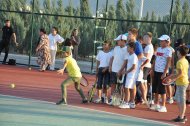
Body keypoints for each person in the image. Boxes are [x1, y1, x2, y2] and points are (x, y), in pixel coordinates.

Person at [150, 35, 172, 112]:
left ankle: (163, 106)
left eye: (162, 41)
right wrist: (152, 69)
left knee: (162, 90)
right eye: (160, 41)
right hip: (156, 71)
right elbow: (155, 60)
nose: (160, 42)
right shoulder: (159, 49)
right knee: (155, 89)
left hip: (162, 72)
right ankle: (156, 104)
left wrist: (164, 73)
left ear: (167, 42)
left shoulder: (169, 50)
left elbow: (168, 62)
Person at [169, 46, 189, 123]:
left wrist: (173, 79)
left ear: (179, 53)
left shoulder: (179, 62)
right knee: (178, 99)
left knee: (181, 100)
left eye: (177, 51)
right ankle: (182, 115)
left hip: (182, 83)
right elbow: (180, 73)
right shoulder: (185, 61)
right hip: (182, 82)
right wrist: (172, 76)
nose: (177, 52)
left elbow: (180, 74)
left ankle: (181, 117)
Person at [109, 34, 128, 105]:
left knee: (121, 86)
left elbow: (126, 61)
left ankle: (119, 100)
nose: (117, 42)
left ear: (123, 41)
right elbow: (112, 58)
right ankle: (112, 99)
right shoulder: (116, 48)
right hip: (114, 70)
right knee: (113, 85)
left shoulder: (127, 49)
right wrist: (110, 66)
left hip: (121, 71)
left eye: (118, 40)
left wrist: (121, 70)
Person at [119, 42, 138, 109]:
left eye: (128, 47)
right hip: (129, 75)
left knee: (127, 88)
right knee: (129, 88)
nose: (127, 48)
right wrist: (121, 71)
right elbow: (126, 64)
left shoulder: (134, 56)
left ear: (132, 48)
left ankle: (127, 102)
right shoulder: (129, 55)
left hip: (131, 75)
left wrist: (126, 72)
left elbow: (134, 67)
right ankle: (132, 103)